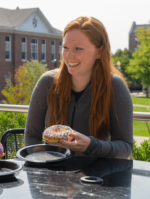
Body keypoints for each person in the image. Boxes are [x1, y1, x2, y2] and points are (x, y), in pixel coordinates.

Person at [25, 17, 133, 159]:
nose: (69, 56)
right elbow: (32, 135)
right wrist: (44, 164)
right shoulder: (47, 82)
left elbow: (125, 147)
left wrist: (92, 146)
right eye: (65, 48)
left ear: (99, 52)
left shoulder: (115, 86)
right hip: (53, 177)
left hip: (98, 178)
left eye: (78, 48)